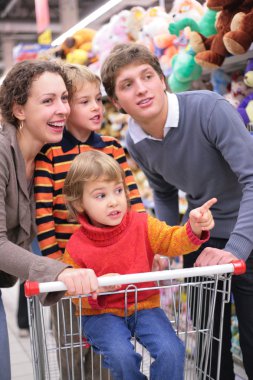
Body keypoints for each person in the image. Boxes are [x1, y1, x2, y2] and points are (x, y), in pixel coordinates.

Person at [100, 42, 253, 380]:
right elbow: (165, 192)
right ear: (115, 101)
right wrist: (164, 245)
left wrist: (235, 251)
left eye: (147, 76)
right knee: (210, 343)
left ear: (162, 80)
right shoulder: (135, 141)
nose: (141, 89)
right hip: (200, 232)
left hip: (248, 227)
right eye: (127, 85)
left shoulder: (209, 110)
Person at [61, 150, 216, 380]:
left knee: (172, 350)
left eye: (118, 190)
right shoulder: (76, 246)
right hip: (100, 313)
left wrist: (193, 228)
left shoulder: (142, 225)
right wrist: (95, 288)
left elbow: (172, 241)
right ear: (79, 204)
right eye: (100, 195)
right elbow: (73, 290)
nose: (114, 201)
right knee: (120, 356)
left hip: (144, 306)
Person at [34, 63, 144, 379]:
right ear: (66, 108)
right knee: (71, 351)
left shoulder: (111, 148)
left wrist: (141, 251)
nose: (96, 107)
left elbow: (133, 204)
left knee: (107, 354)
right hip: (68, 275)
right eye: (85, 101)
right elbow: (43, 216)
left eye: (99, 99)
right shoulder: (50, 155)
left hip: (110, 272)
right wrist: (57, 269)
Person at [0, 60, 100, 380]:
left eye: (64, 98)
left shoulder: (44, 155)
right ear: (19, 110)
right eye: (47, 101)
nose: (63, 109)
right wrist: (59, 271)